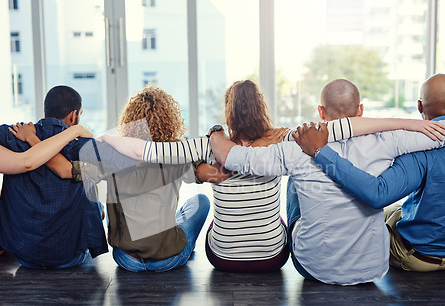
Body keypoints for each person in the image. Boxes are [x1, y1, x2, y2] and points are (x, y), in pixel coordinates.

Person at [98, 80, 435, 274]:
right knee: (295, 181)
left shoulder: (209, 144)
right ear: (261, 107)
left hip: (223, 260)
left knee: (205, 208)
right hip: (272, 258)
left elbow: (147, 152)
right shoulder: (287, 140)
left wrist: (102, 137)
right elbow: (343, 128)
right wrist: (408, 122)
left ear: (228, 112)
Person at [209, 78, 445, 285]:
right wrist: (406, 123)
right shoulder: (390, 140)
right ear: (361, 110)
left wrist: (216, 133)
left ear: (321, 112)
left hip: (313, 268)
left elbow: (233, 158)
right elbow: (440, 134)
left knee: (295, 180)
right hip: (372, 269)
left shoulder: (295, 148)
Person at [0, 85, 135, 269]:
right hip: (70, 256)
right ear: (74, 115)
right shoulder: (81, 144)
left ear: (45, 111)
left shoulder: (13, 134)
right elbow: (120, 159)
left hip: (25, 257)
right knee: (92, 189)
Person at [292, 73, 445, 272]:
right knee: (395, 211)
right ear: (360, 110)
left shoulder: (421, 150)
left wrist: (320, 152)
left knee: (370, 214)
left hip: (424, 257)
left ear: (419, 106)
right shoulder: (414, 142)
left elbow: (377, 195)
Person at [80, 86, 210, 272]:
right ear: (169, 120)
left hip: (126, 259)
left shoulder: (112, 155)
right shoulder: (176, 152)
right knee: (202, 201)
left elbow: (83, 173)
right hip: (167, 259)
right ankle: (177, 242)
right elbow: (202, 173)